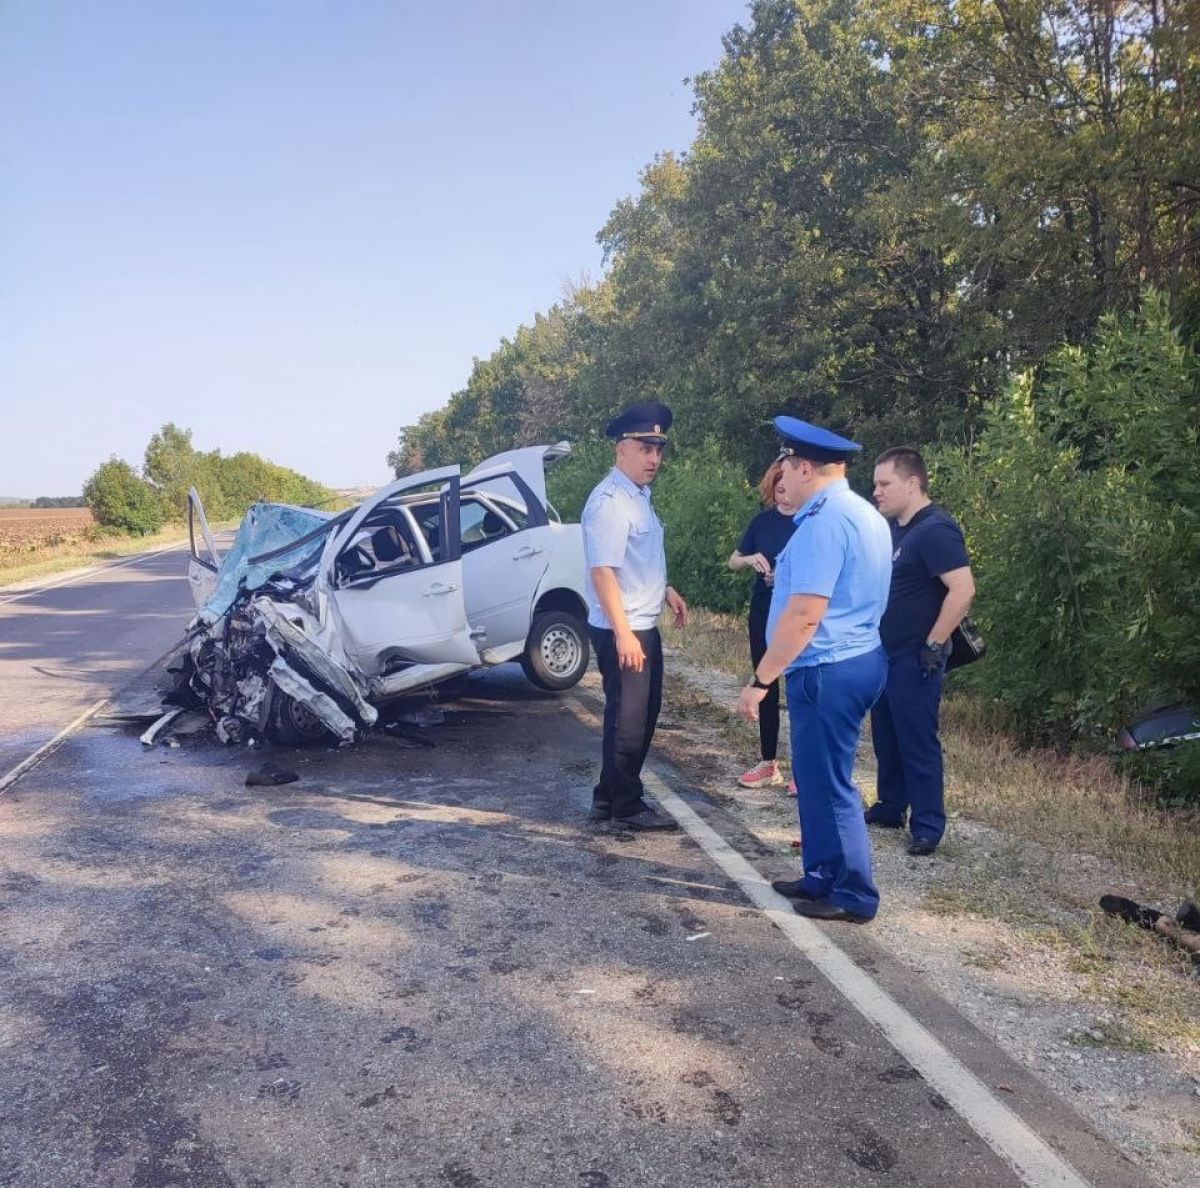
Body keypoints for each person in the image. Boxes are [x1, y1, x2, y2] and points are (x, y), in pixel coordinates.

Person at [736, 416, 892, 924]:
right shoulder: (861, 513)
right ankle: (821, 874)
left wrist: (761, 681)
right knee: (813, 773)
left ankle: (854, 895)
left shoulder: (826, 522)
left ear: (804, 467)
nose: (783, 479)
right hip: (854, 657)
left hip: (829, 665)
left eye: (786, 468)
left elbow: (805, 615)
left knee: (829, 781)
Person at [582, 401, 689, 831]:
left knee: (634, 714)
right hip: (624, 628)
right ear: (621, 449)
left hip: (639, 622)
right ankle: (626, 805)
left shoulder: (637, 497)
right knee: (630, 719)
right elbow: (603, 570)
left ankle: (607, 798)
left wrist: (663, 589)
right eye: (645, 448)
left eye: (658, 449)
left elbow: (632, 559)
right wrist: (624, 634)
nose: (654, 459)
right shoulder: (610, 501)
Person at [866, 447, 975, 856]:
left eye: (883, 483)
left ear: (912, 483)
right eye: (875, 483)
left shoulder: (936, 529)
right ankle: (892, 805)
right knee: (887, 735)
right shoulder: (896, 529)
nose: (875, 491)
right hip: (886, 652)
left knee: (917, 740)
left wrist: (933, 643)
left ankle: (928, 824)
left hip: (917, 655)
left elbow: (963, 590)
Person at [728, 461, 798, 792]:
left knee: (801, 686)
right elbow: (733, 560)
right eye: (778, 491)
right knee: (764, 682)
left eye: (788, 490)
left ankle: (803, 769)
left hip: (796, 612)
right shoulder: (762, 522)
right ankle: (768, 762)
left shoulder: (810, 523)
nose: (783, 497)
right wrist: (750, 559)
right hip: (763, 609)